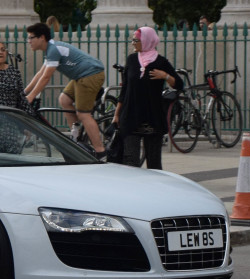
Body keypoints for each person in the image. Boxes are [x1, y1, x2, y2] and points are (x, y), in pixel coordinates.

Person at [23, 21, 107, 157]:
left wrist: (31, 97)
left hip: (91, 75)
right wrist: (25, 92)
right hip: (80, 76)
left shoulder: (53, 50)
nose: (29, 41)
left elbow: (45, 78)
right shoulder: (50, 49)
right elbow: (40, 73)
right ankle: (76, 135)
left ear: (42, 38)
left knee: (83, 114)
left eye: (31, 37)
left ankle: (100, 150)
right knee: (64, 99)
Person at [114, 26, 181, 170]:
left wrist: (165, 76)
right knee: (130, 160)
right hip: (131, 115)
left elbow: (179, 84)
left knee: (154, 162)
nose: (133, 43)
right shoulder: (131, 59)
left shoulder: (160, 62)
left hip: (152, 117)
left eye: (136, 40)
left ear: (146, 41)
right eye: (132, 40)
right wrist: (116, 114)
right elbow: (125, 89)